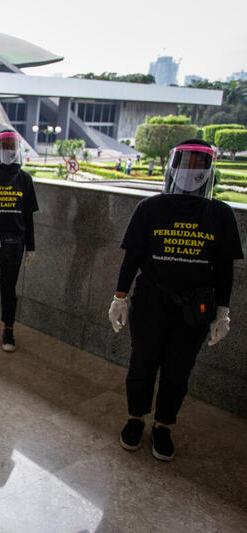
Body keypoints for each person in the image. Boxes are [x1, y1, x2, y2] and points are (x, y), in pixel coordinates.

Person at [109, 139, 242, 462]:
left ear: (210, 171)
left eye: (199, 165)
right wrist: (120, 298)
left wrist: (222, 311)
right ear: (173, 166)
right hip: (152, 302)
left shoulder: (220, 215)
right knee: (142, 364)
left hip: (194, 308)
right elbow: (133, 258)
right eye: (185, 164)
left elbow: (224, 269)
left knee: (178, 370)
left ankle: (165, 424)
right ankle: (136, 417)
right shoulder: (150, 209)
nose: (190, 172)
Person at [0, 130, 39, 352]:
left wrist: (30, 246)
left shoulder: (24, 179)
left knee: (8, 288)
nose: (9, 150)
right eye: (5, 145)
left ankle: (8, 329)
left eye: (13, 146)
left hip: (14, 241)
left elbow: (28, 215)